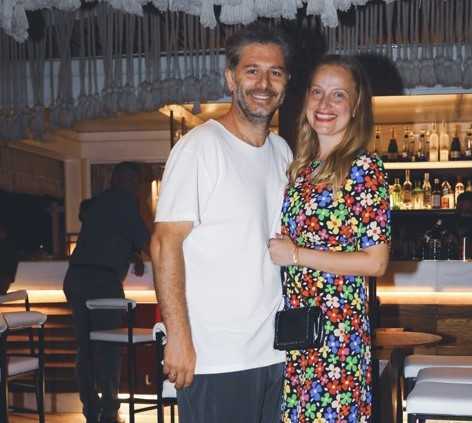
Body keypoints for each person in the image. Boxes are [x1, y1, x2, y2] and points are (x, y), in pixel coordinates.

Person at [150, 24, 293, 423]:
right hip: (216, 357)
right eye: (252, 71)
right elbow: (164, 243)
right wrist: (178, 337)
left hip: (274, 350)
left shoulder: (282, 151)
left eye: (275, 72)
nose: (264, 83)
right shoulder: (200, 147)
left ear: (285, 83)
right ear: (231, 79)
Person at [268, 55, 391, 422]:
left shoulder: (364, 168)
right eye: (317, 92)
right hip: (299, 330)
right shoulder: (302, 170)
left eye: (338, 95)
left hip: (338, 333)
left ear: (356, 106)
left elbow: (376, 261)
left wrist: (296, 255)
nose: (324, 104)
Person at [63, 161, 149, 423]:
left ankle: (91, 408)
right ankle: (109, 410)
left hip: (76, 277)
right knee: (109, 346)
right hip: (102, 281)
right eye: (134, 182)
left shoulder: (97, 203)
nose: (136, 187)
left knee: (86, 347)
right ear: (122, 181)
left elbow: (106, 235)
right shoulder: (125, 201)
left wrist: (133, 255)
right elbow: (145, 239)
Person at [0, 222, 18, 295]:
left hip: (5, 275)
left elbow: (13, 262)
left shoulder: (9, 246)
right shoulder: (9, 246)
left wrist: (11, 277)